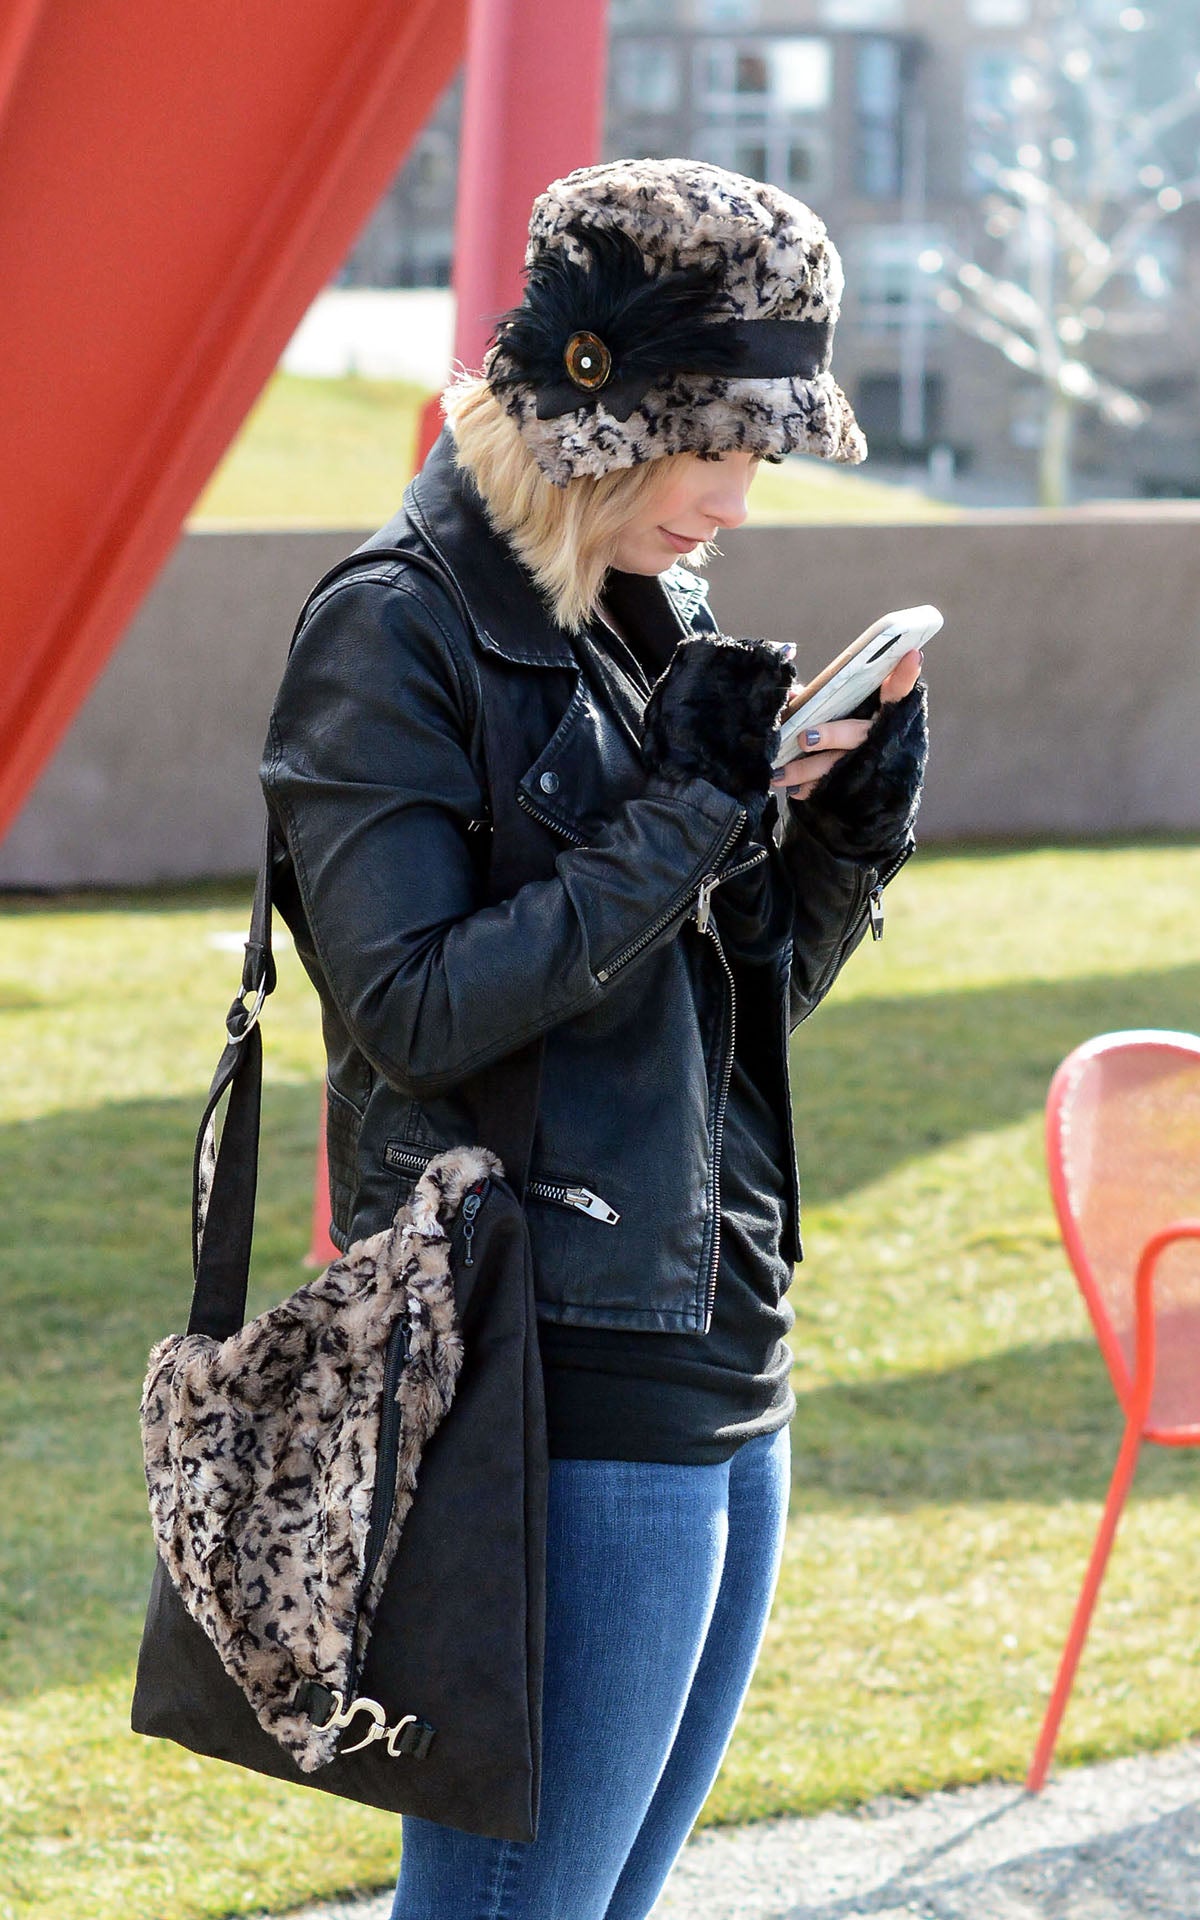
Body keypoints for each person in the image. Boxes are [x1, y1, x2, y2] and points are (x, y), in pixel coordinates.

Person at [261, 157, 928, 1920]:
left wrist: (835, 835)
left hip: (718, 1340)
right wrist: (688, 816)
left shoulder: (659, 616)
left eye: (760, 449)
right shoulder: (394, 629)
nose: (737, 494)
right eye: (717, 439)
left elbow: (716, 1018)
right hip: (543, 1366)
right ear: (595, 408)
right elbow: (407, 1011)